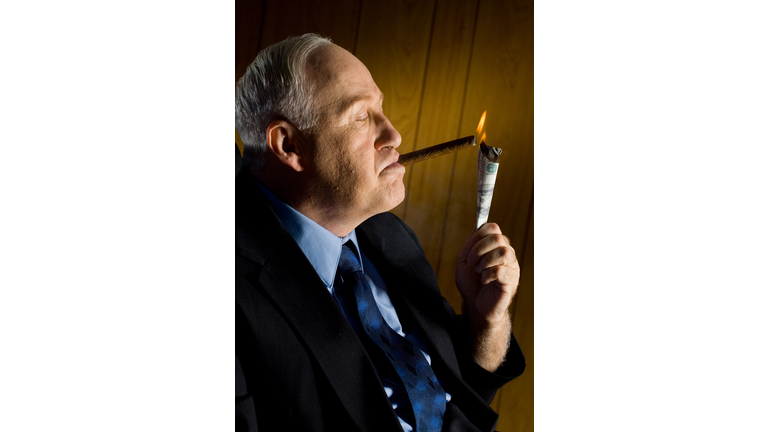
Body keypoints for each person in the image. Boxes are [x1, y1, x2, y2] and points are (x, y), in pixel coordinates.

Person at [235, 33, 525, 432]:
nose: (393, 136)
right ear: (289, 144)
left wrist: (484, 321)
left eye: (381, 109)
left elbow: (451, 394)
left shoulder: (387, 234)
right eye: (359, 116)